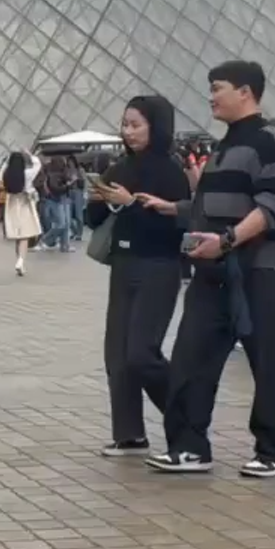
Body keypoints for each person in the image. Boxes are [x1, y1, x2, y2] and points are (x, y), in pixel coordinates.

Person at [138, 61, 275, 478]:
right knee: (190, 359)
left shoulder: (271, 141)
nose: (210, 97)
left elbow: (274, 205)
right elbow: (213, 206)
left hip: (257, 270)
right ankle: (190, 447)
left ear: (245, 92)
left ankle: (274, 452)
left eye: (217, 88)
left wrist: (226, 241)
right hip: (214, 272)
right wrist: (172, 208)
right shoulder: (224, 145)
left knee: (270, 362)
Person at [86, 95, 190, 457]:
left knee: (141, 354)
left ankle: (187, 418)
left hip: (158, 266)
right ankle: (129, 434)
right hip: (123, 265)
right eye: (125, 124)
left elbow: (175, 228)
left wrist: (131, 204)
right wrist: (100, 200)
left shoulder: (171, 172)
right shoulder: (118, 168)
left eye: (136, 124)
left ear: (155, 127)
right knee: (117, 355)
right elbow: (92, 220)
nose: (128, 132)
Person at [0, 151, 42, 275]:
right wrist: (29, 154)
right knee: (25, 235)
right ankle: (21, 261)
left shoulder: (6, 175)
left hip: (11, 205)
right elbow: (37, 164)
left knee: (18, 236)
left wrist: (6, 161)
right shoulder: (27, 174)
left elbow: (1, 173)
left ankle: (19, 261)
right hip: (24, 204)